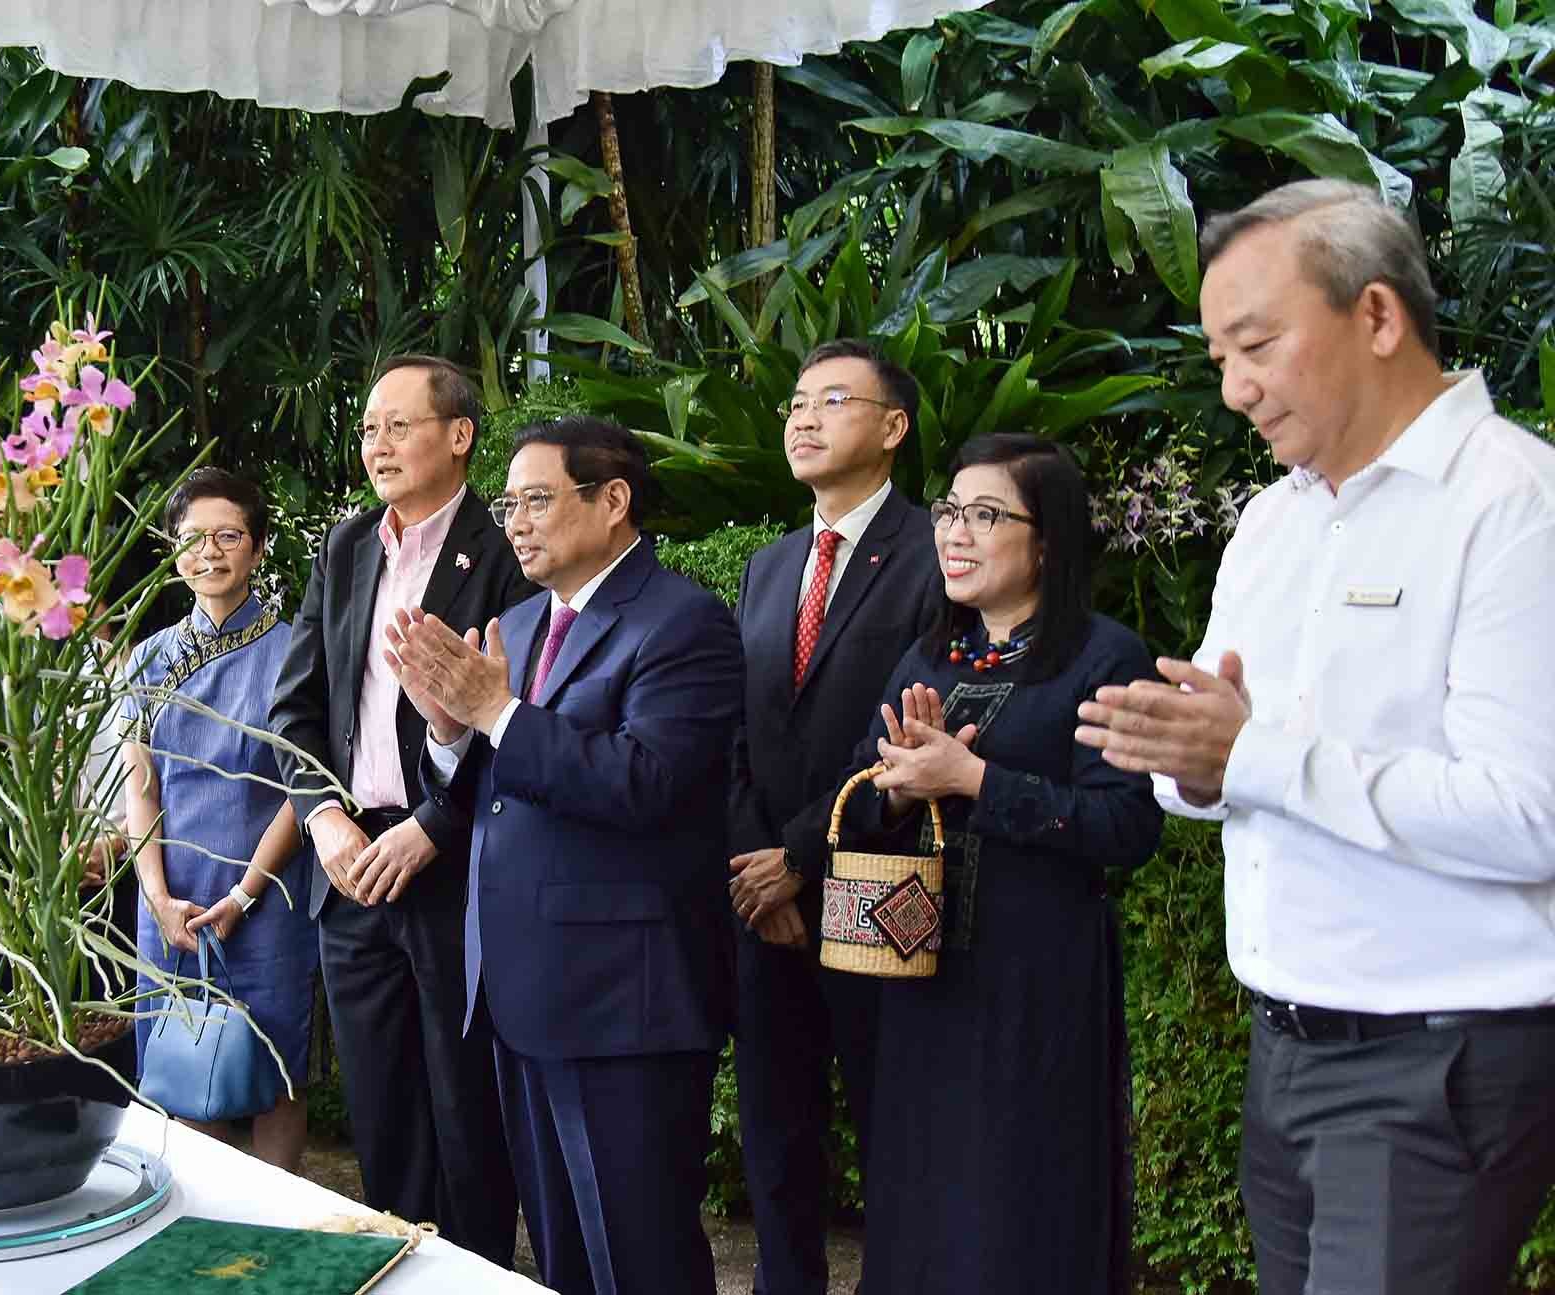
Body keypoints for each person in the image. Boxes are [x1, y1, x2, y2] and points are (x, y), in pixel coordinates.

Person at [1074, 179, 1555, 1295]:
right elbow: (1221, 771)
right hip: (1285, 1043)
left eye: (1255, 344)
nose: (1234, 389)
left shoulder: (1511, 505)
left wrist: (1247, 755)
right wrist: (1182, 761)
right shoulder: (1274, 519)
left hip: (1432, 1056)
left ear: (1376, 316)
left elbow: (1529, 813)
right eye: (1218, 357)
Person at [386, 415, 743, 1295]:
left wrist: (497, 713)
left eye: (537, 499)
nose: (515, 521)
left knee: (640, 1252)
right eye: (509, 502)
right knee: (563, 1254)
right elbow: (486, 786)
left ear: (613, 499)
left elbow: (646, 783)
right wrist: (445, 731)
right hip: (516, 986)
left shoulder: (681, 622)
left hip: (623, 998)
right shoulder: (518, 618)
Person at [815, 433, 1161, 1294]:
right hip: (923, 977)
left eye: (985, 514)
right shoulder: (931, 653)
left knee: (1019, 1199)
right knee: (920, 1197)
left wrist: (973, 778)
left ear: (1046, 540)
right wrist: (898, 788)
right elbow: (856, 802)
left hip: (1034, 982)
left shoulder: (1101, 657)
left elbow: (1127, 825)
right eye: (949, 512)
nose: (954, 533)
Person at [267, 355, 531, 1261]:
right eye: (370, 426)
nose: (377, 443)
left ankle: (480, 1273)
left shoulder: (505, 556)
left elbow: (522, 722)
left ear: (459, 436)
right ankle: (395, 1269)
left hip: (455, 869)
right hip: (350, 869)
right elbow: (293, 708)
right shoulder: (345, 548)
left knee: (468, 1114)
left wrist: (435, 825)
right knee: (381, 1113)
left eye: (399, 425)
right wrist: (323, 818)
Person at [723, 340, 943, 1295]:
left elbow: (913, 724)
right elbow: (732, 729)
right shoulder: (769, 567)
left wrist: (802, 854)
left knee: (897, 1127)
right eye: (796, 403)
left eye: (832, 400)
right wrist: (753, 860)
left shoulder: (937, 548)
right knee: (775, 1129)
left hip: (874, 881)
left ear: (892, 427)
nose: (803, 418)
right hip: (763, 898)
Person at [122, 467, 314, 1170]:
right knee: (186, 1067)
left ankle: (274, 1233)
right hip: (169, 897)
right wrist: (156, 895)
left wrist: (244, 893)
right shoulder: (147, 657)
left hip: (268, 896)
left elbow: (306, 789)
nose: (209, 552)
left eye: (228, 535)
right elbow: (138, 782)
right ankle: (209, 1230)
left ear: (259, 547)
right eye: (193, 538)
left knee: (275, 1073)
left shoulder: (296, 649)